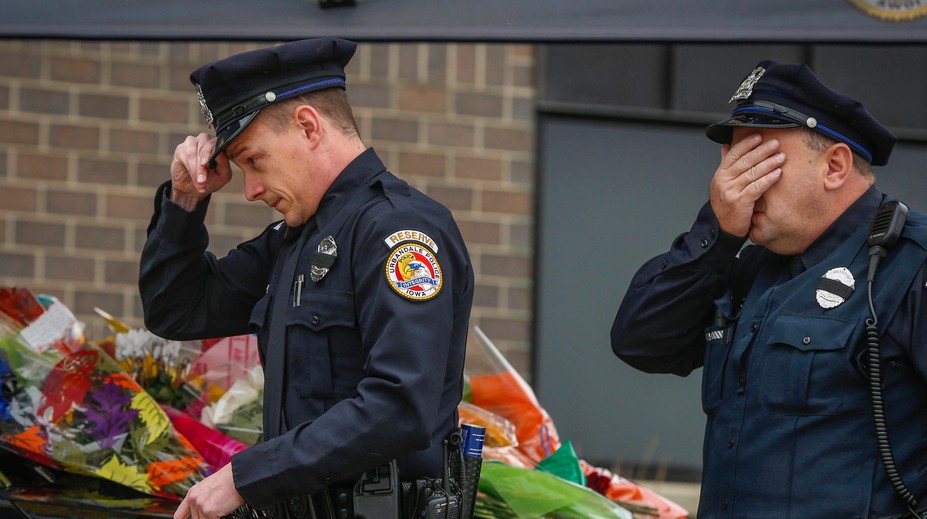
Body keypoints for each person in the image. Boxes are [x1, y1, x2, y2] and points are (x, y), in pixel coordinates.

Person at [138, 37, 474, 519]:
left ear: (308, 126)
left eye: (254, 160)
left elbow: (400, 405)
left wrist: (245, 476)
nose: (250, 189)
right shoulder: (296, 238)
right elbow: (177, 309)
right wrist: (185, 199)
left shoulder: (398, 230)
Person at [611, 60, 927, 518]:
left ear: (835, 166)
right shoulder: (744, 263)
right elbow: (639, 341)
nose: (736, 183)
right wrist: (717, 235)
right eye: (734, 162)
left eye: (761, 160)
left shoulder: (911, 261)